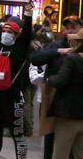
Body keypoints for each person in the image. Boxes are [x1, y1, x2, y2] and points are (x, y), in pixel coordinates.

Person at [0, 0, 34, 159]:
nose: (6, 33)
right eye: (4, 30)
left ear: (17, 34)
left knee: (18, 135)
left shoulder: (20, 48)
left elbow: (27, 30)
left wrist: (28, 11)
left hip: (13, 98)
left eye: (10, 31)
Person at [30, 15, 82, 159]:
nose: (70, 31)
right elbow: (35, 59)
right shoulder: (56, 45)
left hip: (74, 103)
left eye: (74, 28)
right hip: (53, 99)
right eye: (67, 28)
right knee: (51, 139)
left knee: (74, 148)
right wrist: (59, 52)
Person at [44, 28, 83, 159]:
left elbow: (61, 80)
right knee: (80, 153)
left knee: (61, 152)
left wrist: (49, 79)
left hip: (69, 113)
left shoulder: (73, 59)